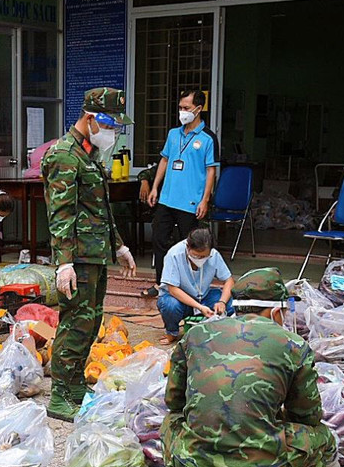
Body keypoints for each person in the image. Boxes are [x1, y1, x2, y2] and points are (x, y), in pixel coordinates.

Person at [163, 268, 338, 467]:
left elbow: (173, 402)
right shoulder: (293, 345)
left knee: (170, 422)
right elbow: (308, 417)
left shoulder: (196, 335)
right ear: (276, 311)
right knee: (323, 438)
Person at [42, 87, 138, 421]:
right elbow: (61, 213)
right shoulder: (64, 155)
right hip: (78, 257)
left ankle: (75, 385)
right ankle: (60, 395)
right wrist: (63, 262)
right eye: (111, 125)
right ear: (90, 118)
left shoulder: (87, 155)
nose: (114, 133)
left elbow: (99, 210)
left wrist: (120, 246)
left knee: (91, 321)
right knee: (75, 323)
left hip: (95, 253)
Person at [142, 89, 220, 297]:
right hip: (167, 198)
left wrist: (205, 200)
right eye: (180, 108)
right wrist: (155, 186)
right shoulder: (173, 134)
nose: (182, 112)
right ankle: (161, 285)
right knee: (159, 240)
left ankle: (187, 288)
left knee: (189, 247)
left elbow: (211, 170)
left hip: (191, 201)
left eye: (186, 108)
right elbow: (165, 160)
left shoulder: (208, 138)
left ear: (198, 109)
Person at [157, 227, 234, 343]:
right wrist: (199, 307)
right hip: (180, 300)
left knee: (229, 302)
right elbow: (173, 290)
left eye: (204, 256)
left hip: (204, 297)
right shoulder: (174, 254)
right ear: (188, 247)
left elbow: (229, 280)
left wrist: (222, 302)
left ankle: (222, 330)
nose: (200, 259)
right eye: (197, 256)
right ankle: (172, 332)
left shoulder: (214, 255)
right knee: (170, 305)